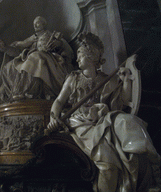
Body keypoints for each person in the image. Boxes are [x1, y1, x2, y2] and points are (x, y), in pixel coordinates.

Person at [46, 32, 161, 192]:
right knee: (108, 163)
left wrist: (125, 80)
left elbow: (121, 102)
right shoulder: (73, 78)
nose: (77, 58)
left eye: (80, 54)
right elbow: (59, 101)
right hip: (81, 124)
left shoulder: (107, 79)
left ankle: (147, 156)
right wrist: (53, 117)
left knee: (125, 121)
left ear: (92, 57)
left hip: (102, 121)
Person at [0, 16, 74, 103]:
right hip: (33, 57)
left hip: (49, 58)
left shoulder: (52, 35)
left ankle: (29, 92)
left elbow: (67, 50)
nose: (35, 25)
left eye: (38, 22)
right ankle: (17, 92)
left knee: (35, 57)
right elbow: (18, 51)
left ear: (44, 24)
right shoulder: (31, 39)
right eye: (34, 23)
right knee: (9, 66)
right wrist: (5, 48)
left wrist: (58, 44)